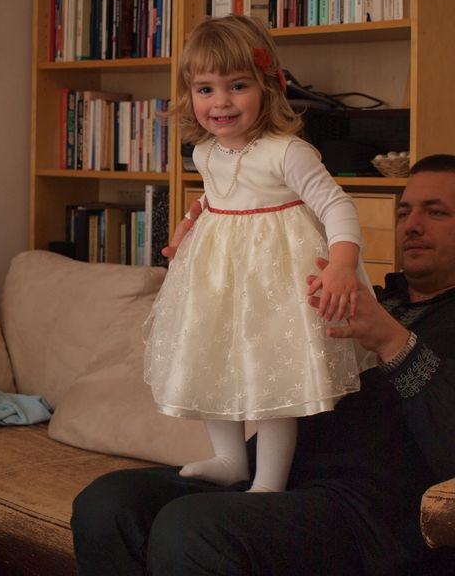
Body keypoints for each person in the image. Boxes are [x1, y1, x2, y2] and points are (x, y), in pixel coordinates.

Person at [71, 153, 455, 575]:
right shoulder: (367, 296)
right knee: (108, 504)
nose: (412, 225)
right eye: (404, 212)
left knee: (194, 528)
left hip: (367, 512)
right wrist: (208, 252)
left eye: (435, 212)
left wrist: (393, 341)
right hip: (277, 476)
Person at [143, 14, 374, 494]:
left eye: (237, 86)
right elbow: (215, 197)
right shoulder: (205, 153)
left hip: (275, 284)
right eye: (205, 89)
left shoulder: (287, 152)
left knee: (274, 378)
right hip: (219, 281)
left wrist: (342, 264)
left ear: (267, 87)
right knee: (211, 361)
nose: (221, 102)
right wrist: (188, 224)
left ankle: (269, 482)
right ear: (189, 95)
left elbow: (337, 206)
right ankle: (231, 458)